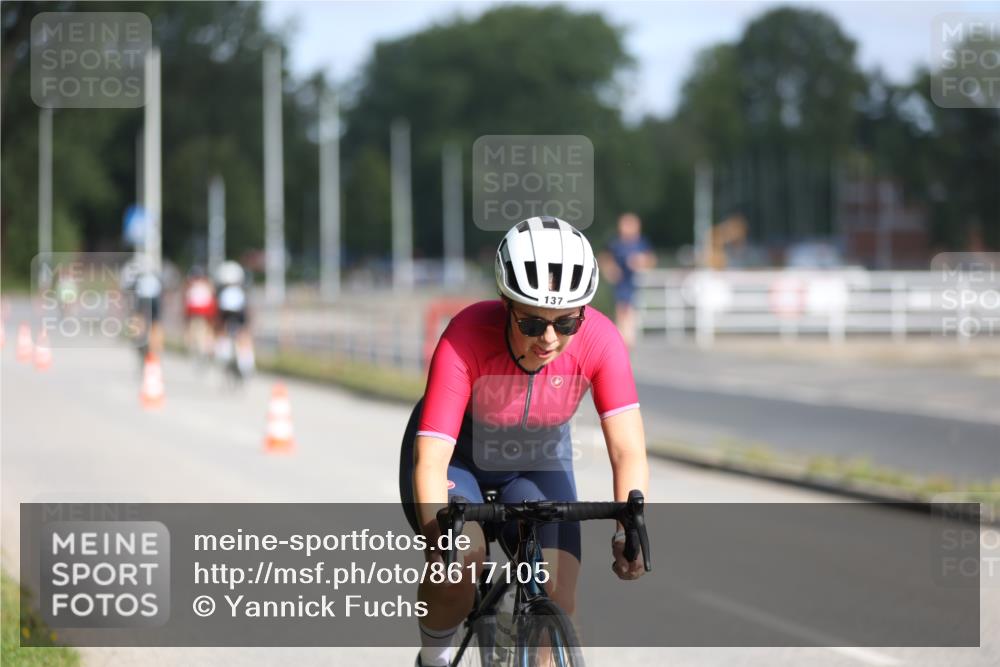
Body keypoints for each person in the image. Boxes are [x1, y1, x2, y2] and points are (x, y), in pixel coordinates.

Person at [399, 216, 649, 667]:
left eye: (567, 322)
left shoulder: (602, 341)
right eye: (533, 323)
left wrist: (627, 527)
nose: (550, 338)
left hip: (537, 460)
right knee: (461, 562)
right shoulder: (465, 335)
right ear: (505, 303)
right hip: (460, 458)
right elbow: (431, 462)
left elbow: (627, 450)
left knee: (558, 595)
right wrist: (442, 547)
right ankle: (432, 659)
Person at [598, 213, 656, 349]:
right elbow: (603, 258)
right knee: (623, 310)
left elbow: (651, 259)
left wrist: (641, 261)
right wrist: (610, 270)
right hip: (620, 283)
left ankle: (625, 340)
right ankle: (623, 340)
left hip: (635, 282)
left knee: (629, 311)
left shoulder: (641, 243)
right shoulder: (615, 242)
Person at [213, 260, 254, 378]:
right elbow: (246, 309)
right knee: (244, 335)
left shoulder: (222, 291)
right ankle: (246, 362)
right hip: (239, 314)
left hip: (227, 314)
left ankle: (224, 356)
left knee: (222, 332)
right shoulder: (241, 289)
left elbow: (219, 312)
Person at [183, 266, 217, 364]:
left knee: (196, 330)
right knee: (205, 330)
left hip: (198, 314)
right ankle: (207, 347)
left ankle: (204, 348)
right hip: (203, 313)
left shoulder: (192, 286)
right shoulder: (206, 285)